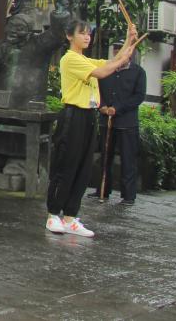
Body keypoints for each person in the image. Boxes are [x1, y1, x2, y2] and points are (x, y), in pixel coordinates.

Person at [46, 20, 136, 237]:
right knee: (66, 166)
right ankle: (53, 215)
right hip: (73, 115)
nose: (87, 37)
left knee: (83, 169)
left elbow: (114, 61)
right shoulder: (70, 59)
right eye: (82, 33)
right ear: (70, 36)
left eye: (89, 33)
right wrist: (124, 54)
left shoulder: (86, 59)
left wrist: (129, 39)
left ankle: (70, 217)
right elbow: (104, 71)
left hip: (89, 115)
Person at [91, 46, 146, 205]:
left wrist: (118, 108)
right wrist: (102, 106)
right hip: (106, 120)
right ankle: (102, 191)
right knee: (104, 157)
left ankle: (128, 196)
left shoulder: (138, 72)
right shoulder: (106, 69)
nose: (118, 53)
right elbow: (96, 90)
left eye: (121, 50)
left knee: (128, 159)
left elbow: (139, 96)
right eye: (115, 50)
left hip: (127, 123)